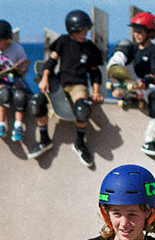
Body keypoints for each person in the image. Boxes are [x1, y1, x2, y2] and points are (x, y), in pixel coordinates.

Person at [30, 9, 104, 167]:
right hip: (60, 84)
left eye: (86, 29)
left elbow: (95, 72)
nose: (84, 33)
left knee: (82, 109)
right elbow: (51, 62)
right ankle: (44, 140)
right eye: (81, 30)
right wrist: (44, 79)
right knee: (37, 102)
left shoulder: (90, 48)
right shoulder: (63, 41)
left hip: (79, 85)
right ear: (72, 30)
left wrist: (96, 91)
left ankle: (79, 143)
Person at [105, 11, 155, 158]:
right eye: (135, 31)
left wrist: (146, 81)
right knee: (123, 45)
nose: (137, 35)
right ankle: (120, 83)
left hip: (146, 87)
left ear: (150, 32)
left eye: (140, 32)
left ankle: (149, 141)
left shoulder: (154, 51)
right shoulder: (132, 49)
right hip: (131, 85)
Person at [0, 20, 31, 143]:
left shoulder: (17, 49)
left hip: (15, 80)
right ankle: (1, 124)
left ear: (8, 38)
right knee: (3, 93)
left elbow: (24, 66)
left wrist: (22, 70)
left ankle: (19, 126)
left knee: (19, 96)